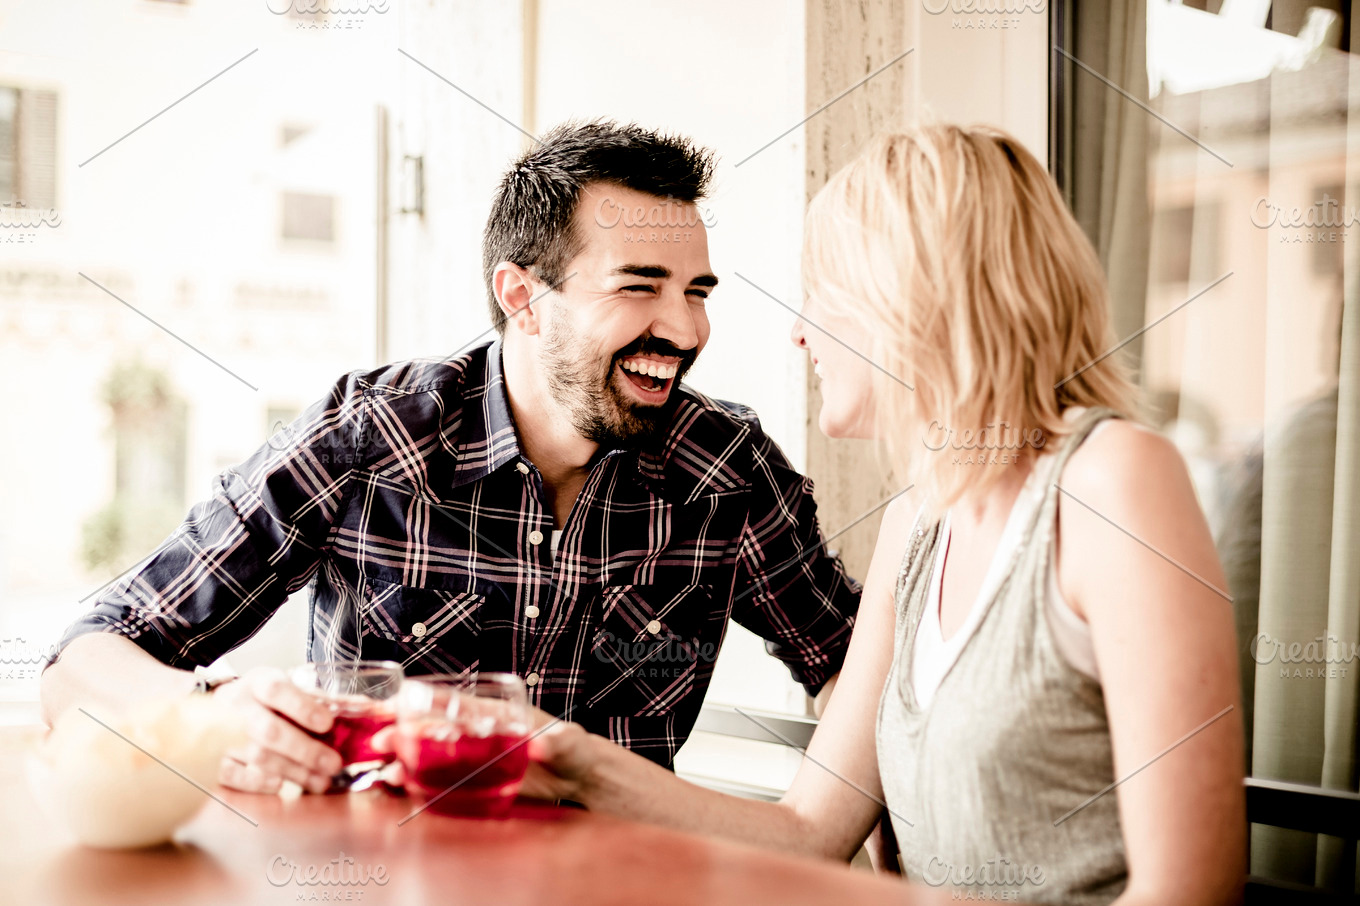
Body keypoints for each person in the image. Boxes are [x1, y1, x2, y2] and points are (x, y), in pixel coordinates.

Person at [523, 124, 1246, 905]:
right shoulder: (917, 524)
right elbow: (809, 830)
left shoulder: (1115, 481)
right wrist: (569, 758)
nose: (799, 332)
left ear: (913, 301)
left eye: (824, 297)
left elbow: (1190, 889)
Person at [41, 121, 860, 795]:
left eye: (697, 293)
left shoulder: (727, 469)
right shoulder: (371, 437)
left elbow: (853, 675)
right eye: (640, 286)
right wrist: (215, 711)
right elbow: (82, 659)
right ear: (522, 298)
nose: (685, 331)